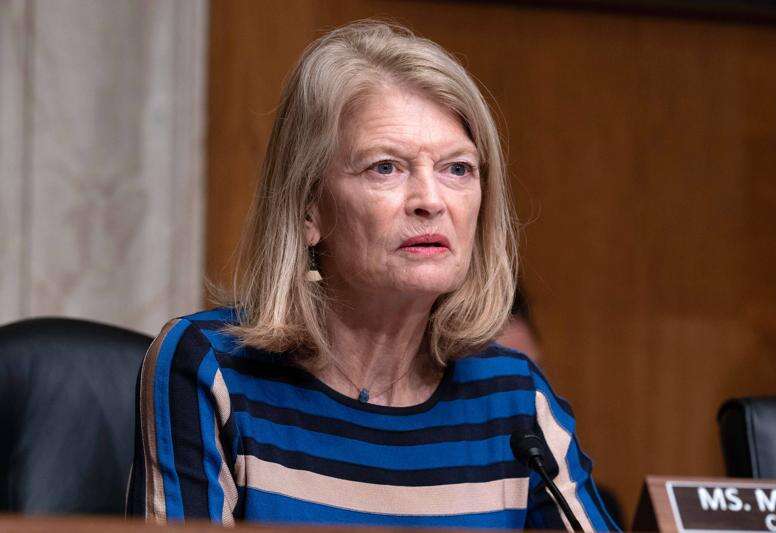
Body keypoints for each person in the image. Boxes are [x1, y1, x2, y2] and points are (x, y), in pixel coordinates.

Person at [126, 20, 618, 530]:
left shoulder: (513, 398)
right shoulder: (212, 370)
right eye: (386, 167)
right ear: (308, 208)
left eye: (457, 168)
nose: (431, 201)